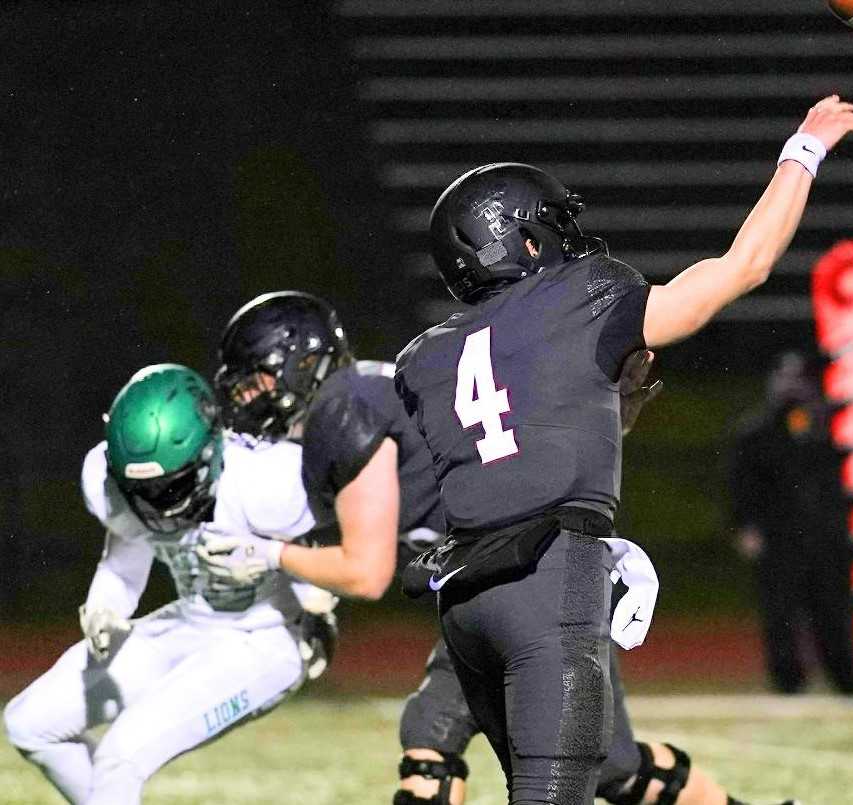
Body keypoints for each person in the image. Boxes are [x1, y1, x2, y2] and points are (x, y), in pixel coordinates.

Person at [392, 96, 853, 804]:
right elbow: (745, 265)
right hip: (551, 582)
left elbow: (511, 455)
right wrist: (805, 149)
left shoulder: (424, 358)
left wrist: (609, 410)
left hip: (464, 599)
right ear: (523, 242)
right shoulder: (578, 294)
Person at [200, 291, 791, 805]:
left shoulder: (344, 408)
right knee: (614, 768)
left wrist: (268, 555)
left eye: (257, 379)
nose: (249, 395)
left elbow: (368, 571)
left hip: (531, 578)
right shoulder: (383, 390)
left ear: (302, 364)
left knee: (431, 737)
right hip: (534, 571)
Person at [2, 364, 334, 805]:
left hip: (266, 638)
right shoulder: (114, 483)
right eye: (144, 491)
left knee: (120, 758)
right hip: (190, 623)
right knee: (30, 723)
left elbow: (362, 551)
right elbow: (124, 564)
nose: (157, 503)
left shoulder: (266, 480)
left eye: (170, 486)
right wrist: (104, 604)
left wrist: (312, 597)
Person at [729, 352, 853, 695]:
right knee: (782, 612)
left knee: (831, 610)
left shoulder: (823, 430)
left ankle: (845, 678)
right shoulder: (755, 434)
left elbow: (836, 486)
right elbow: (741, 486)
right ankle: (788, 680)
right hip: (779, 537)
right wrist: (746, 526)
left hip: (822, 538)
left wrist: (844, 526)